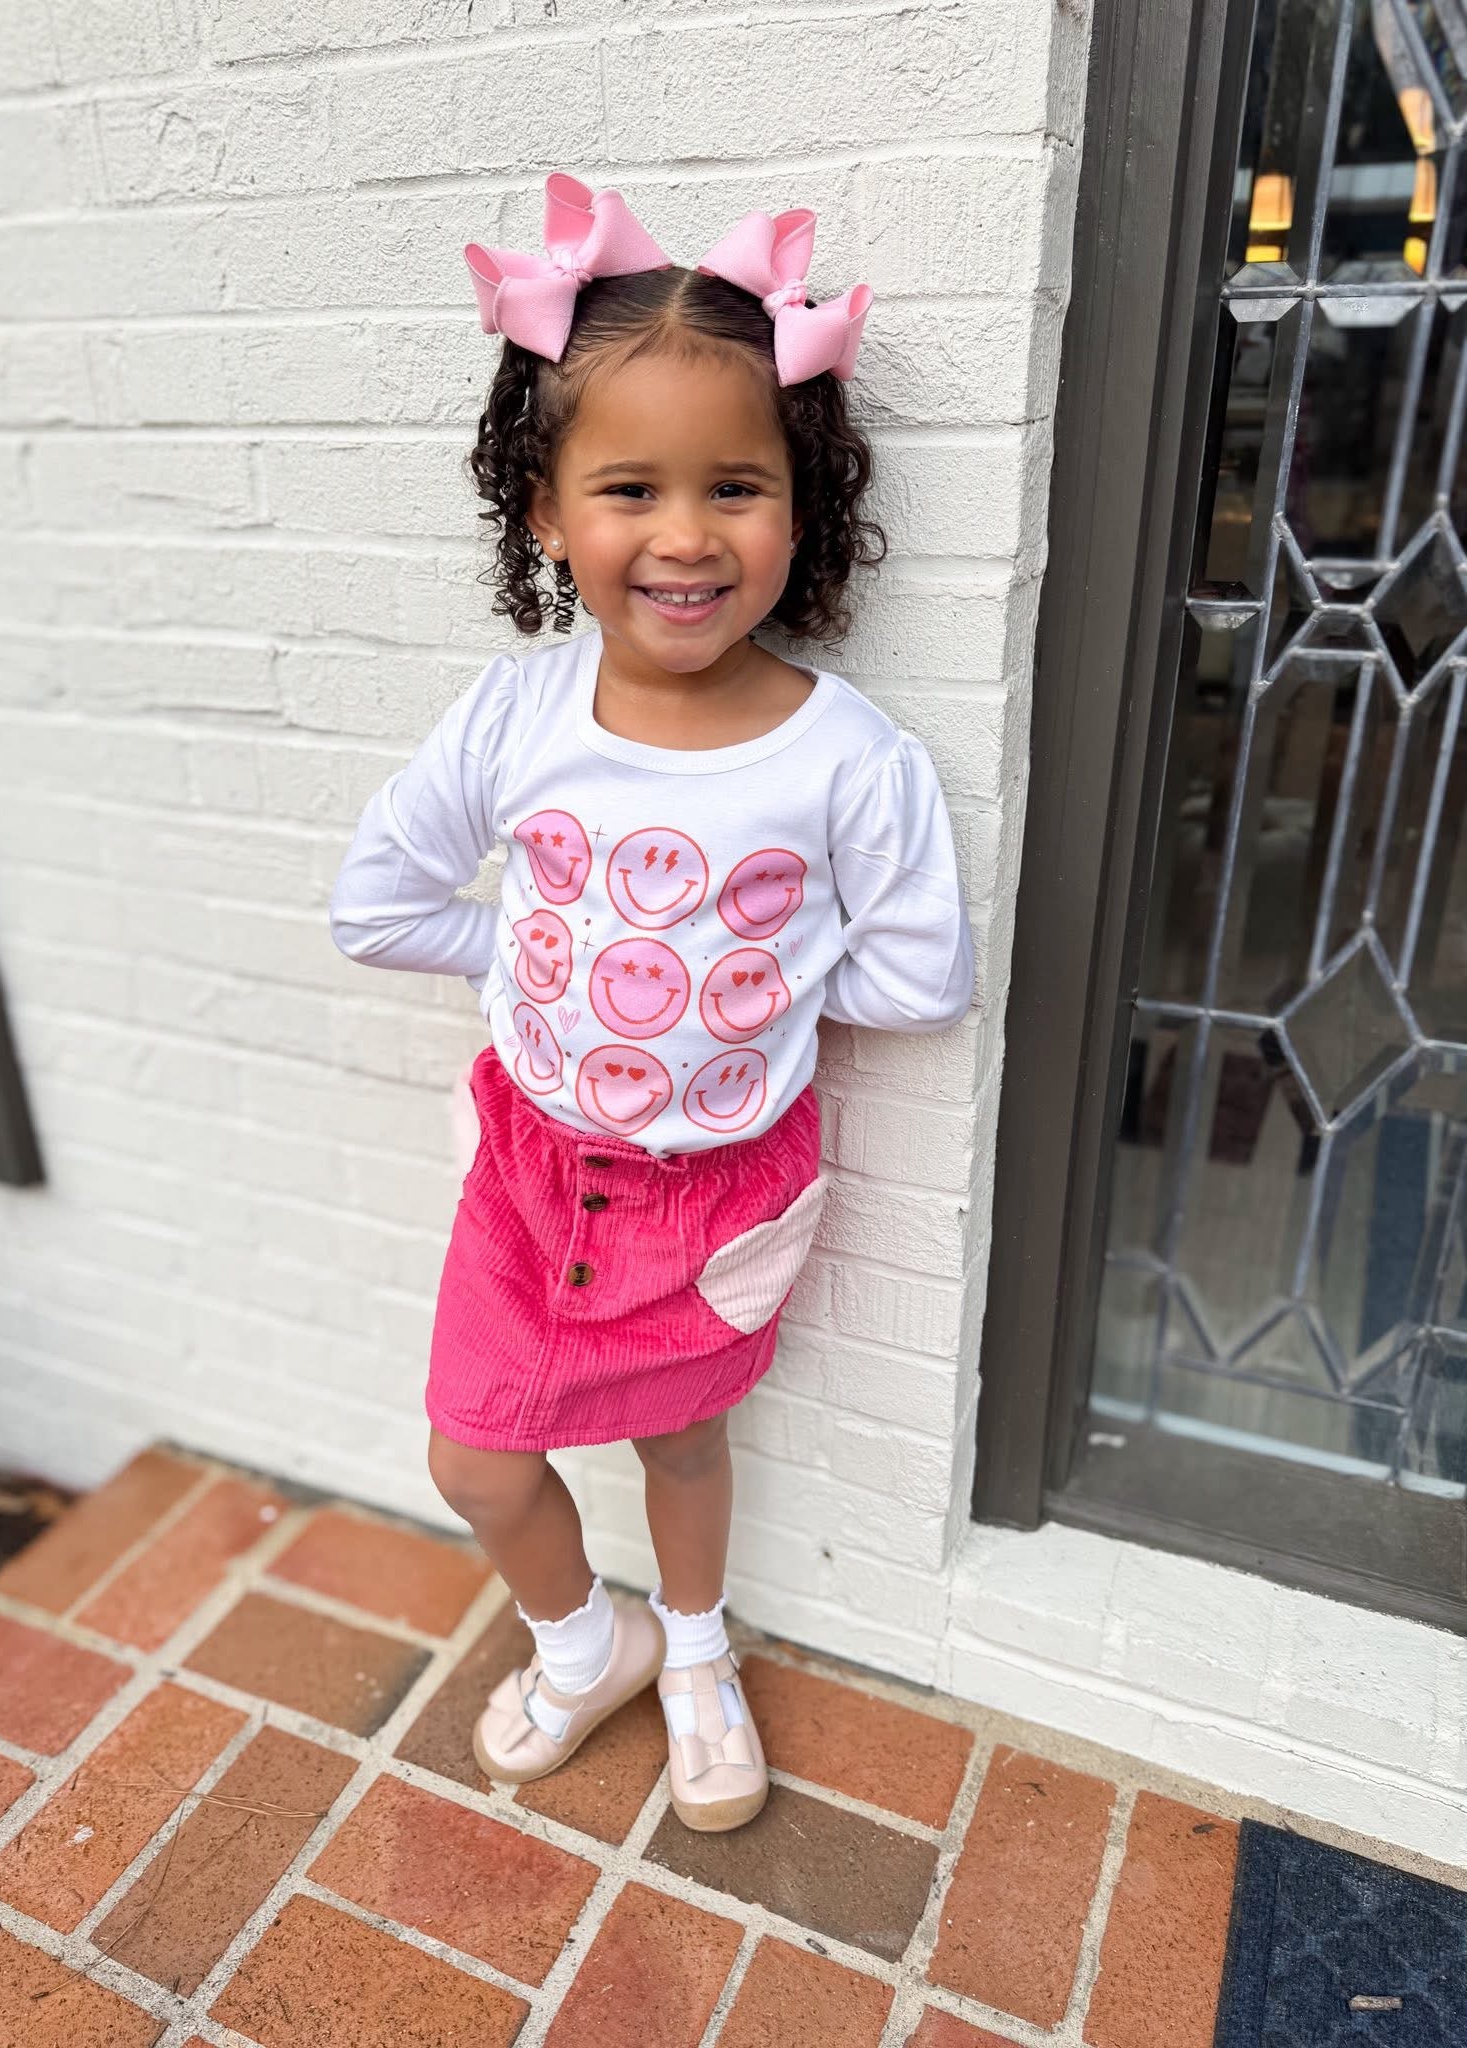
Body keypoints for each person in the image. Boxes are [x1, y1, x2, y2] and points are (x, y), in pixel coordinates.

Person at [329, 172, 974, 1833]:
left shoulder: (849, 759)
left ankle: (695, 1652)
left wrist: (749, 993)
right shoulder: (516, 720)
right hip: (532, 1176)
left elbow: (922, 975)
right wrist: (535, 957)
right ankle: (586, 1641)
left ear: (799, 506)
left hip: (717, 1194)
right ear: (547, 511)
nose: (686, 536)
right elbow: (378, 902)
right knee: (478, 1454)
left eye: (735, 487)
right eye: (629, 488)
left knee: (683, 1444)